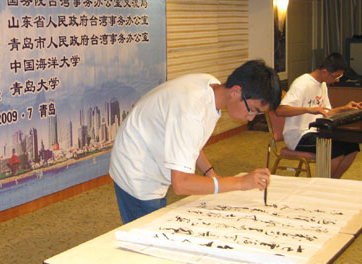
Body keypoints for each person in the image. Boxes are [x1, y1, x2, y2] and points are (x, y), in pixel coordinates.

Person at [109, 60, 281, 224]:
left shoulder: (211, 87)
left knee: (156, 220)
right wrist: (241, 183)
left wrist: (210, 174)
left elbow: (190, 144)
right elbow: (181, 184)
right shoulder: (191, 112)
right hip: (136, 164)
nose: (251, 118)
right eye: (252, 110)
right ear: (236, 91)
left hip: (152, 149)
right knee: (146, 231)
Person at [276, 52, 361, 179]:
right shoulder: (302, 84)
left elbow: (325, 112)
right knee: (335, 149)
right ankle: (324, 182)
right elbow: (280, 110)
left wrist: (345, 108)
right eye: (336, 76)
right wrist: (308, 109)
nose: (337, 80)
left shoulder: (322, 85)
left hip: (317, 131)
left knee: (352, 146)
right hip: (298, 136)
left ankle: (333, 181)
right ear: (325, 72)